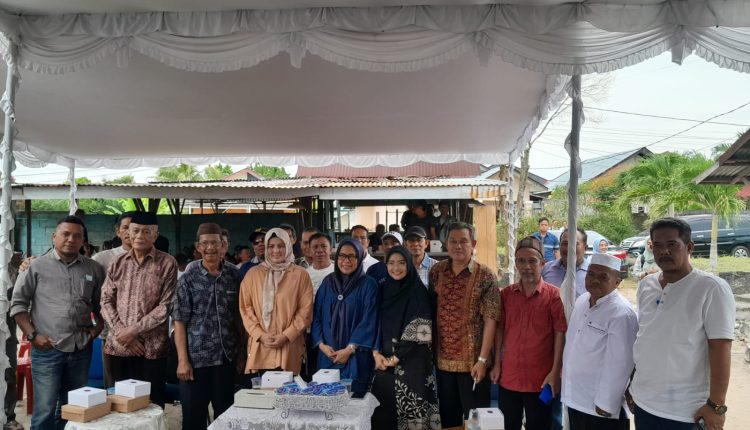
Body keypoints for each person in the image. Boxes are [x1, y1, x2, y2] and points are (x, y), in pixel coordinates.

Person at [629, 218, 734, 430]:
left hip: (686, 411)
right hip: (644, 402)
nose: (664, 252)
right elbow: (644, 338)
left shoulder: (711, 288)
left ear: (689, 247)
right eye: (657, 245)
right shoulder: (647, 285)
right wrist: (632, 386)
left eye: (672, 244)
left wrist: (716, 406)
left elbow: (721, 349)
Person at [11, 216, 106, 430]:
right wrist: (33, 336)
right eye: (65, 234)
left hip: (80, 349)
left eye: (77, 236)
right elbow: (18, 305)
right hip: (47, 349)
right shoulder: (35, 267)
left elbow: (101, 304)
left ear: (83, 241)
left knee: (73, 408)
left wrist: (97, 328)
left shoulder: (94, 269)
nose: (71, 239)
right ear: (54, 237)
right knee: (44, 410)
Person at [101, 211, 178, 408]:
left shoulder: (167, 263)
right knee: (120, 405)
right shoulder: (117, 262)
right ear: (128, 232)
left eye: (146, 232)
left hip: (151, 349)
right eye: (135, 231)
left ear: (155, 235)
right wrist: (122, 332)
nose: (139, 236)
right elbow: (106, 300)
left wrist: (133, 331)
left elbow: (166, 305)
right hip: (119, 347)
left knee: (152, 404)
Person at [429, 222, 500, 427]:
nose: (457, 246)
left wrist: (482, 360)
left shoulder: (486, 276)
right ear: (446, 243)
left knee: (475, 421)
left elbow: (491, 320)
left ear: (473, 244)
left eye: (463, 241)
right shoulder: (437, 272)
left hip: (474, 365)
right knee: (449, 420)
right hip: (443, 363)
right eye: (453, 241)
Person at [173, 223, 242, 430]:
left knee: (226, 419)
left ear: (223, 246)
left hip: (226, 358)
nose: (210, 247)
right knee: (193, 419)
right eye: (205, 243)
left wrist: (243, 353)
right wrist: (182, 361)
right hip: (196, 361)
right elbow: (179, 322)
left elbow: (241, 316)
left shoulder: (234, 275)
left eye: (215, 243)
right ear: (198, 247)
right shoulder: (188, 278)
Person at [493, 236, 566, 430]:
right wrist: (497, 364)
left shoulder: (554, 296)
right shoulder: (506, 295)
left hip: (541, 380)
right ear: (516, 264)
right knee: (508, 425)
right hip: (509, 376)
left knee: (540, 425)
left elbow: (560, 333)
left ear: (543, 263)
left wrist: (555, 372)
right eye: (521, 261)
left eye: (532, 261)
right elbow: (499, 330)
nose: (527, 266)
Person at [562, 253, 638, 430]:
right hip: (575, 396)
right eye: (591, 274)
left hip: (600, 406)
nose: (595, 280)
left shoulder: (622, 313)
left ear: (617, 282)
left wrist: (606, 403)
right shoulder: (582, 300)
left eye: (603, 277)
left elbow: (621, 363)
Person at [371, 246, 441, 429]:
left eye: (401, 263)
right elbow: (373, 322)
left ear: (409, 265)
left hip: (413, 363)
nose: (396, 268)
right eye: (391, 263)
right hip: (384, 362)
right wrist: (376, 353)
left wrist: (396, 357)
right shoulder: (382, 290)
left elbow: (422, 327)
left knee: (413, 413)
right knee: (384, 413)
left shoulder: (419, 292)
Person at [240, 228, 313, 376]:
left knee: (289, 388)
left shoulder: (300, 275)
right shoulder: (253, 274)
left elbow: (305, 311)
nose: (276, 250)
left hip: (290, 345)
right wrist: (260, 334)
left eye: (281, 246)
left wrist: (286, 335)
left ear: (288, 246)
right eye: (271, 246)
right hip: (261, 346)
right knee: (264, 389)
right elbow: (245, 308)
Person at [311, 239, 379, 397]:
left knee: (353, 402)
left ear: (360, 258)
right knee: (326, 403)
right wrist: (321, 345)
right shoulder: (328, 282)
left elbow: (369, 321)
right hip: (328, 356)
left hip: (355, 358)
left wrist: (349, 350)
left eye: (351, 256)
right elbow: (317, 316)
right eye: (342, 256)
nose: (346, 261)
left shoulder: (368, 285)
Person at [92, 212, 133, 389]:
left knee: (142, 388)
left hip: (144, 336)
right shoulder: (102, 259)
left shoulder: (160, 260)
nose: (131, 232)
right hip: (111, 335)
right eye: (126, 227)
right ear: (118, 231)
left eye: (135, 228)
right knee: (114, 387)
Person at [303, 232, 335, 377]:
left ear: (331, 249)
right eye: (315, 247)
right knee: (313, 372)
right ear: (309, 250)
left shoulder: (338, 271)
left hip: (333, 331)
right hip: (310, 332)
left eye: (324, 246)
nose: (320, 250)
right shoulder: (304, 274)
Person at [542, 228, 590, 298]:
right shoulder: (545, 269)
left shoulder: (592, 274)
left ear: (585, 248)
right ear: (559, 245)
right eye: (565, 243)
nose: (570, 248)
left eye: (575, 244)